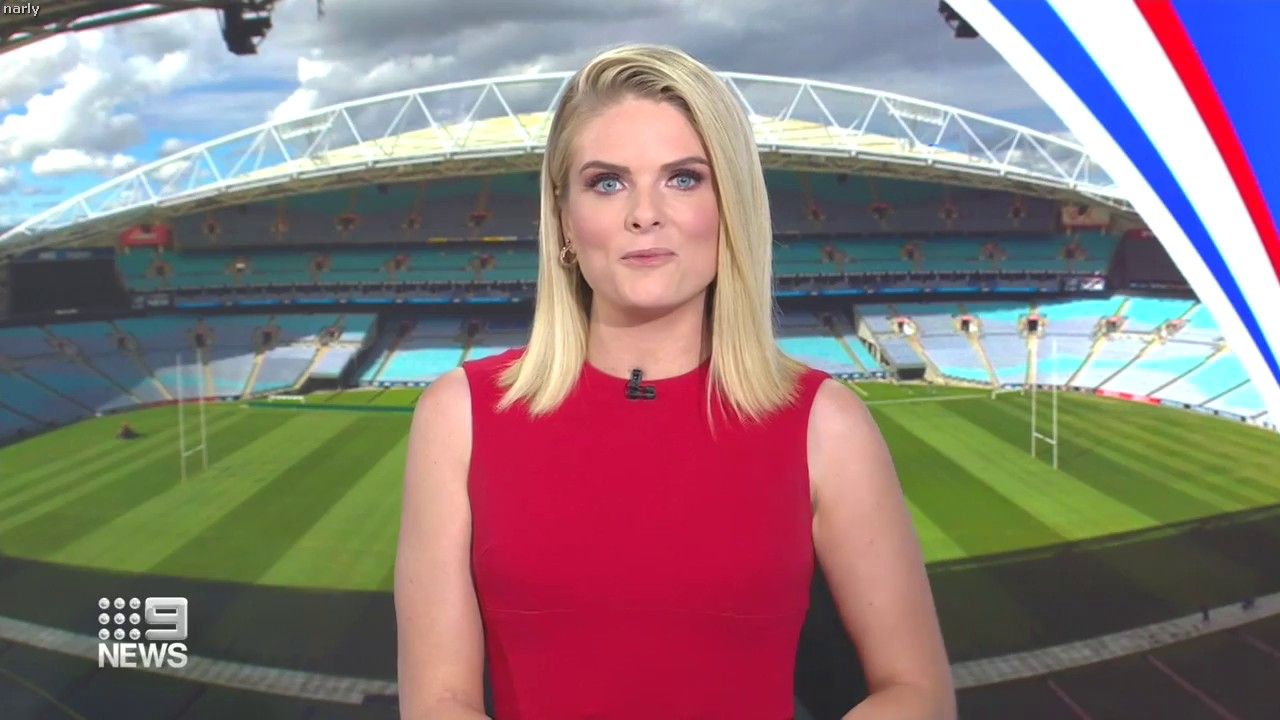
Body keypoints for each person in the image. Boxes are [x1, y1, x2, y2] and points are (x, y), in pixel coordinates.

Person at [395, 43, 955, 720]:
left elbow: (917, 692)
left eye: (684, 178)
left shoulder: (824, 423)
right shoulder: (460, 415)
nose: (644, 212)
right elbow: (438, 702)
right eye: (607, 182)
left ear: (731, 207)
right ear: (565, 220)